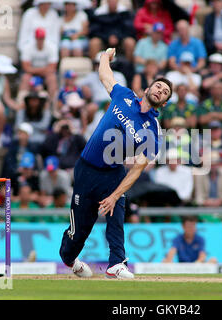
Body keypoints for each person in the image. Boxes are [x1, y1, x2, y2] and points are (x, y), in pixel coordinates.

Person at [59, 48, 173, 279]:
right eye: (158, 86)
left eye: (165, 92)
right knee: (81, 228)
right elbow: (105, 76)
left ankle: (116, 263)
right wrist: (104, 57)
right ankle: (69, 258)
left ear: (164, 103)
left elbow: (137, 170)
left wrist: (114, 195)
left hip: (112, 173)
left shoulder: (153, 131)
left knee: (117, 210)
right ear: (148, 89)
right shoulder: (124, 95)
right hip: (86, 169)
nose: (160, 91)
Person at [194, 122, 222, 207]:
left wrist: (215, 165)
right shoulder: (203, 142)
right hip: (206, 167)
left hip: (220, 167)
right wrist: (210, 164)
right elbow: (200, 160)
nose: (214, 132)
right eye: (212, 130)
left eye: (216, 130)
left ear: (221, 131)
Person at [19, 27, 59, 99]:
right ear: (35, 38)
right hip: (32, 74)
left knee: (52, 78)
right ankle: (21, 104)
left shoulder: (52, 47)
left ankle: (53, 105)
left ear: (44, 38)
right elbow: (26, 68)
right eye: (39, 38)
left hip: (45, 74)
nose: (40, 40)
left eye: (42, 38)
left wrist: (33, 69)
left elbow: (52, 68)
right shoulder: (27, 47)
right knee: (25, 78)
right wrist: (45, 69)